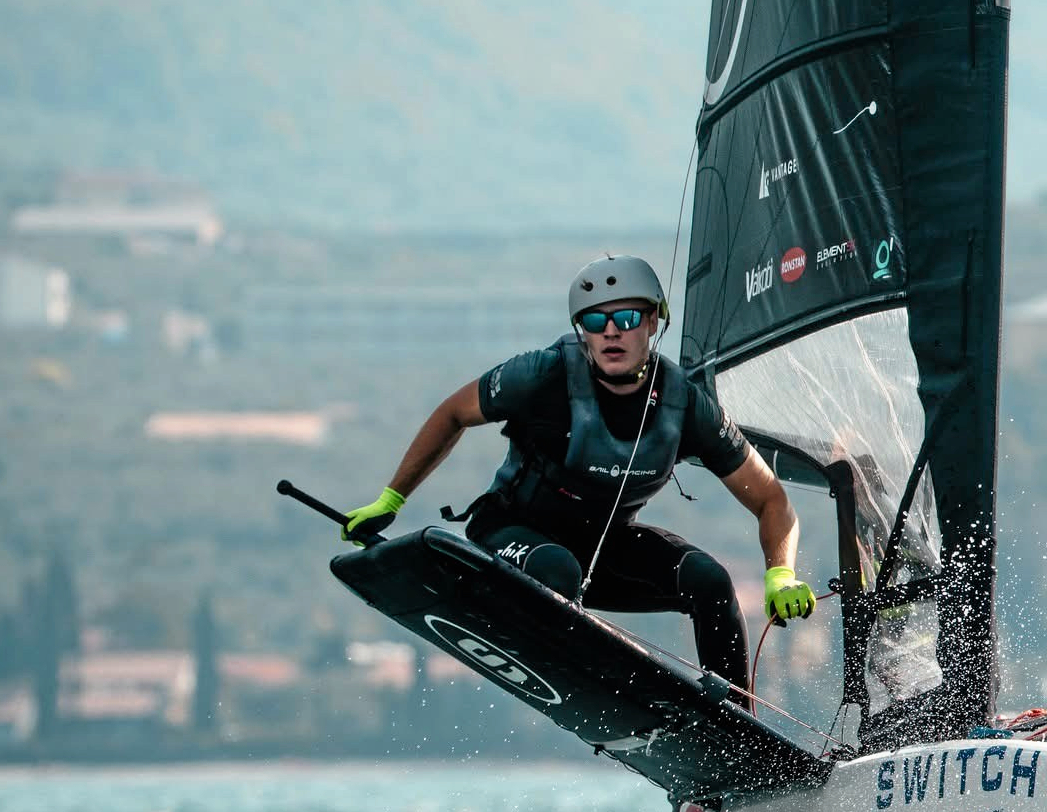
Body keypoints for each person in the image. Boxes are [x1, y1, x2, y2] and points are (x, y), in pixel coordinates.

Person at [339, 254, 815, 691]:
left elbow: (771, 500)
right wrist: (392, 499)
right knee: (556, 569)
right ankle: (593, 685)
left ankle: (735, 731)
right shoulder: (542, 375)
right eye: (595, 320)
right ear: (581, 330)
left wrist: (781, 574)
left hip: (600, 552)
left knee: (709, 580)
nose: (611, 332)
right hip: (512, 536)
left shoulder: (686, 406)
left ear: (652, 322)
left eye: (626, 318)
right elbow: (452, 413)